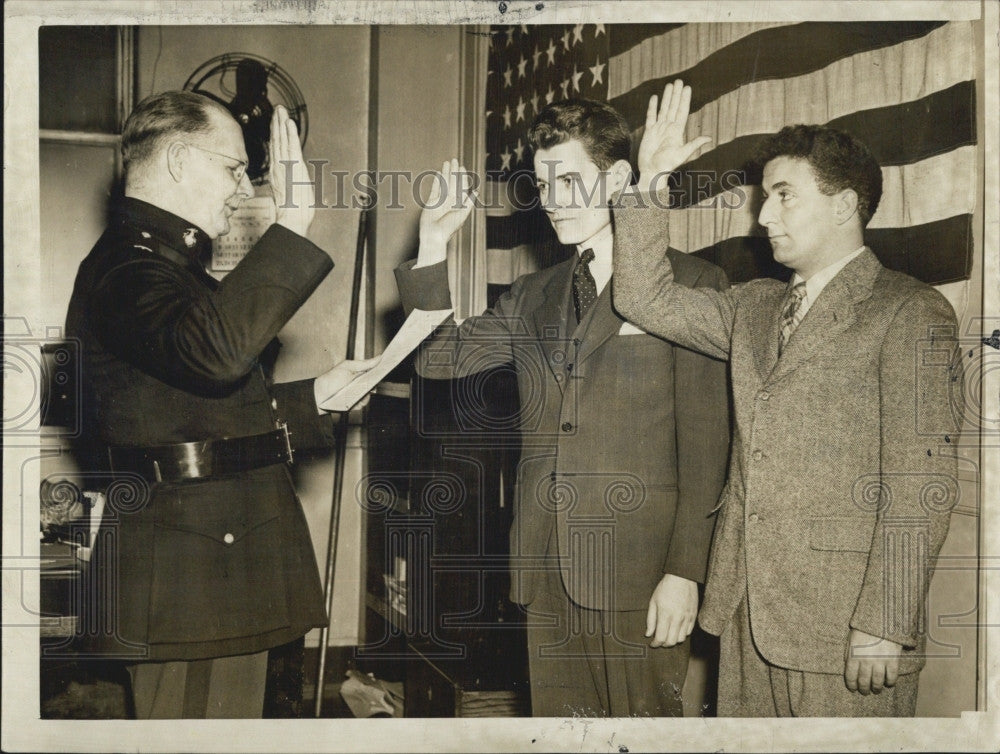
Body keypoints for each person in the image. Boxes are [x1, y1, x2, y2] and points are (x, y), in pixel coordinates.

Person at [612, 80, 962, 716]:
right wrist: (650, 181)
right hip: (745, 616)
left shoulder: (912, 312)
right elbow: (642, 298)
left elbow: (922, 483)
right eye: (763, 199)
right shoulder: (756, 306)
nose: (762, 217)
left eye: (782, 197)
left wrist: (886, 620)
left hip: (848, 632)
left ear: (843, 205)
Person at [394, 98, 730, 716]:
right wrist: (433, 245)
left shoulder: (694, 287)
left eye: (569, 180)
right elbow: (436, 358)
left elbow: (709, 449)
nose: (552, 199)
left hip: (641, 575)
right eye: (543, 184)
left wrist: (685, 572)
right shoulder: (532, 295)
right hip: (545, 569)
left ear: (621, 180)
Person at [65, 91, 378, 718]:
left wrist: (317, 396)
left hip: (212, 565)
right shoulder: (128, 268)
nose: (242, 190)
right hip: (191, 575)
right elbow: (213, 354)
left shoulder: (163, 268)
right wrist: (293, 225)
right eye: (234, 168)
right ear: (180, 158)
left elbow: (185, 407)